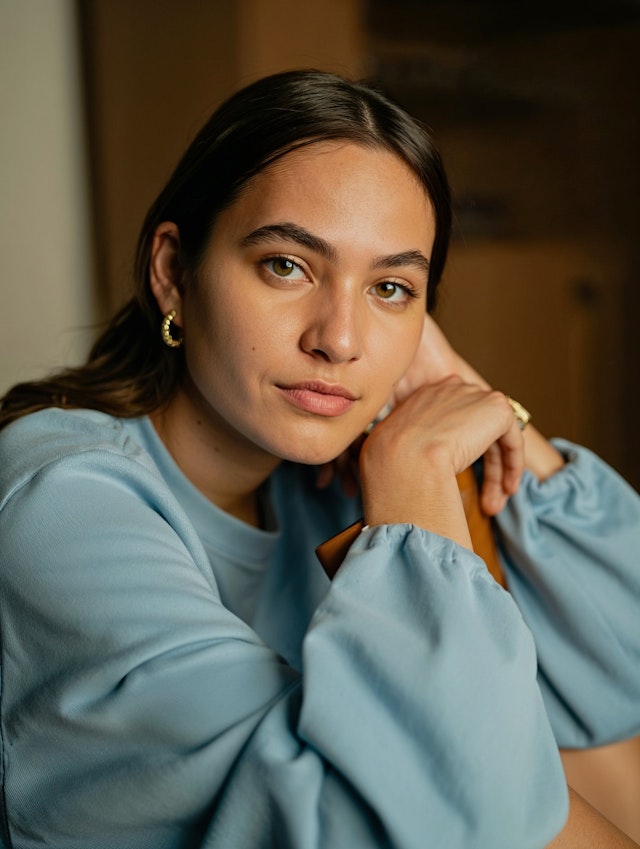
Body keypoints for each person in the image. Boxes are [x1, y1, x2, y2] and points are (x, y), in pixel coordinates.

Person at [0, 69, 638, 849]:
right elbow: (429, 823)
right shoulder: (57, 498)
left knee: (598, 755)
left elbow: (615, 681)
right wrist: (413, 492)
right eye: (287, 265)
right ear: (173, 272)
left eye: (392, 288)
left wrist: (461, 392)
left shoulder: (329, 474)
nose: (339, 339)